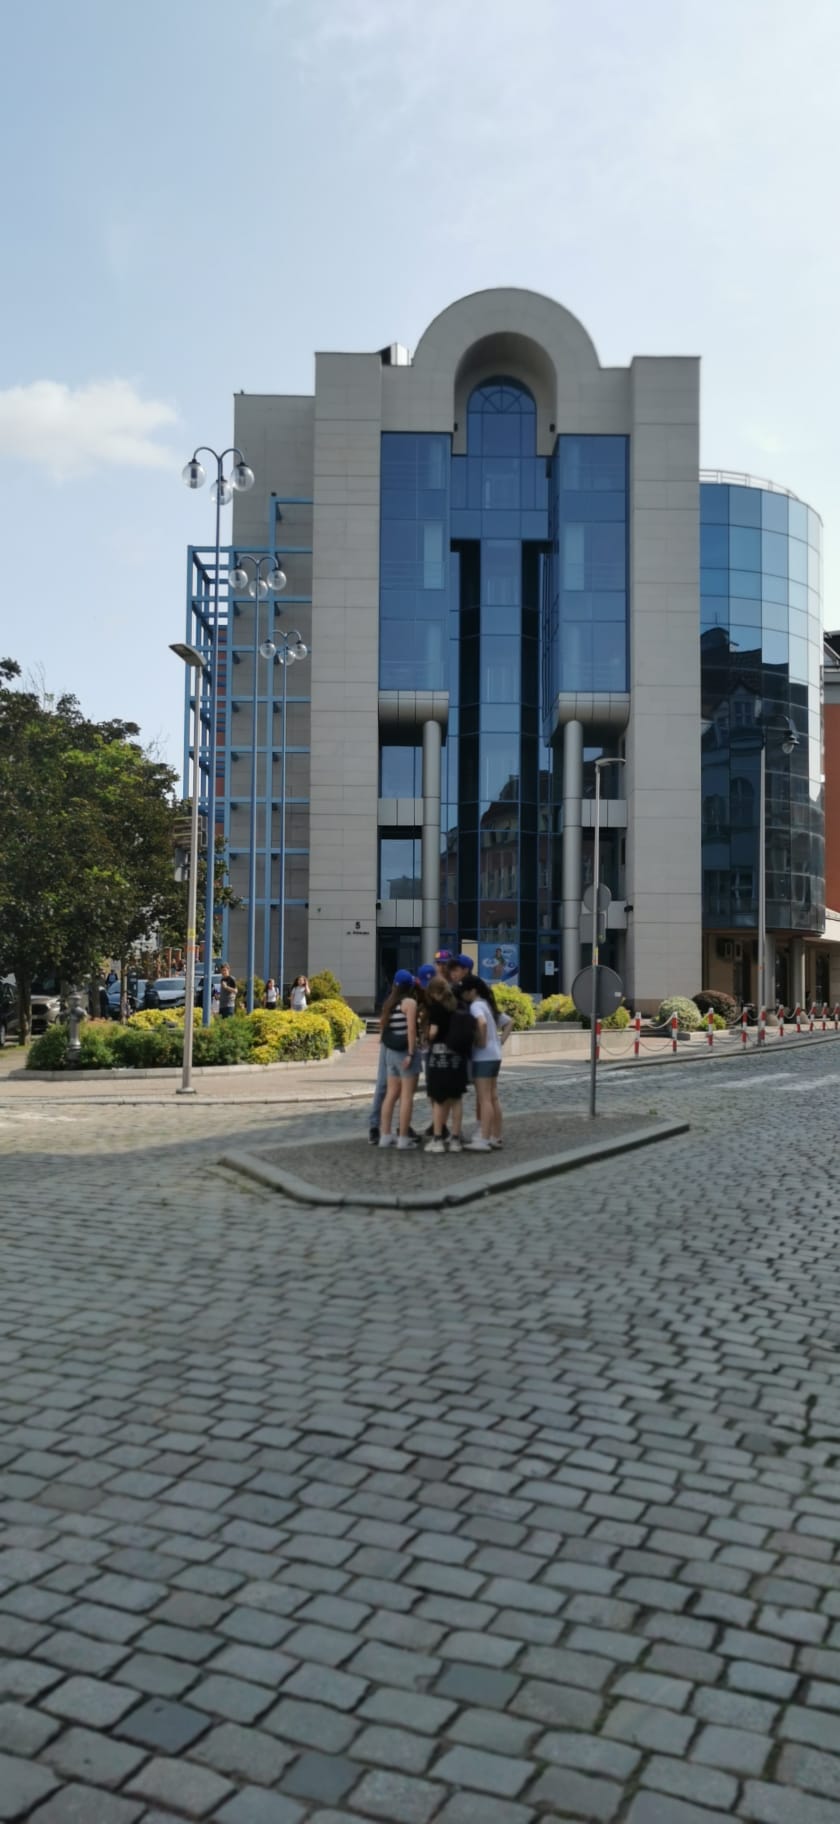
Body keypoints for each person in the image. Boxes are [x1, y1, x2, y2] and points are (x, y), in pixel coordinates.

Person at [423, 976, 471, 1152]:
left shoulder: (437, 1007)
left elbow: (433, 1032)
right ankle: (456, 1140)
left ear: (434, 992)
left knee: (439, 1099)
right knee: (456, 1099)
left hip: (440, 1058)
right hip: (458, 1058)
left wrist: (427, 1036)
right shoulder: (457, 1005)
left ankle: (437, 1140)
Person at [460, 974, 505, 1151]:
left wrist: (481, 1041)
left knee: (484, 1098)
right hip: (495, 1055)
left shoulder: (476, 1006)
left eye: (465, 992)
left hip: (483, 1056)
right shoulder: (486, 1004)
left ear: (472, 991)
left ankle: (484, 1139)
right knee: (493, 1097)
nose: (464, 995)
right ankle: (496, 1136)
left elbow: (482, 1023)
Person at [378, 970, 421, 1149]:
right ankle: (403, 1137)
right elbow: (411, 1029)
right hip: (404, 1052)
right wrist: (411, 1053)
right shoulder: (409, 1003)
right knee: (406, 1097)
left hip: (390, 1053)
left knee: (391, 1095)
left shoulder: (389, 1003)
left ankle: (385, 1135)